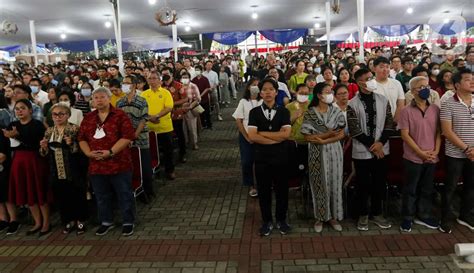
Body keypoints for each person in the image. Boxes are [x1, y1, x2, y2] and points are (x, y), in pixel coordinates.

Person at [78, 87, 136, 236]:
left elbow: (127, 136)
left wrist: (110, 152)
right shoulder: (89, 117)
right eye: (96, 97)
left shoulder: (120, 115)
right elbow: (82, 138)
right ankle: (106, 221)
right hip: (96, 165)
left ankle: (128, 221)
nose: (99, 100)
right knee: (101, 195)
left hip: (119, 163)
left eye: (102, 97)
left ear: (109, 99)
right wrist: (88, 153)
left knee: (124, 194)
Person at [347, 68, 395, 231]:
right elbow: (354, 129)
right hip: (362, 151)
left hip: (382, 150)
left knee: (379, 183)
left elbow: (389, 123)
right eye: (368, 78)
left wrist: (381, 143)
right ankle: (362, 214)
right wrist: (373, 146)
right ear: (360, 82)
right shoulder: (352, 104)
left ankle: (377, 213)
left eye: (371, 77)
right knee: (363, 184)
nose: (372, 80)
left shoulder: (383, 99)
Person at [247, 77, 292, 236]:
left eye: (270, 89)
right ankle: (266, 221)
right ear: (260, 93)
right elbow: (252, 136)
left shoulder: (284, 111)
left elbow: (286, 134)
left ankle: (281, 220)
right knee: (264, 191)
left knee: (282, 191)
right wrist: (276, 138)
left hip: (281, 157)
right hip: (262, 158)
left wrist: (263, 134)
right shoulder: (254, 112)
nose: (267, 92)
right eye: (264, 89)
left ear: (276, 92)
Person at [398, 76, 441, 232]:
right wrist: (420, 153)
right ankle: (407, 218)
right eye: (421, 87)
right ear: (412, 91)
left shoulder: (435, 109)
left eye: (427, 86)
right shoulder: (406, 111)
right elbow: (405, 135)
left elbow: (438, 132)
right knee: (411, 189)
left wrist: (435, 151)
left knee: (427, 188)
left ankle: (424, 215)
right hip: (413, 157)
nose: (425, 89)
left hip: (431, 156)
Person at [301, 82, 346, 232]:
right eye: (327, 92)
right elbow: (307, 137)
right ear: (319, 95)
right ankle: (320, 217)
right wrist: (326, 134)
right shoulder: (310, 113)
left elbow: (340, 133)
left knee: (335, 182)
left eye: (331, 91)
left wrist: (324, 139)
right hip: (316, 153)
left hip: (334, 152)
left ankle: (333, 217)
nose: (330, 94)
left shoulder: (336, 111)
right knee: (319, 183)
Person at [3, 99, 50, 236]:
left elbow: (35, 144)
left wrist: (18, 136)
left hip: (35, 160)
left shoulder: (37, 125)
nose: (19, 111)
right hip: (19, 160)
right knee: (27, 192)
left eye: (22, 108)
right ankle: (37, 222)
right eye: (17, 109)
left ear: (30, 110)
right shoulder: (13, 125)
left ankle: (46, 222)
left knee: (39, 191)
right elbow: (10, 145)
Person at [39, 103, 88, 235]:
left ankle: (81, 221)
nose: (58, 117)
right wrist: (43, 147)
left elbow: (82, 151)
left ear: (68, 115)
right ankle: (68, 220)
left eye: (62, 114)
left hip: (73, 168)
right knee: (62, 195)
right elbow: (44, 153)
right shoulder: (49, 131)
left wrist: (72, 144)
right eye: (55, 114)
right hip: (55, 168)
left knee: (77, 194)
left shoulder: (75, 129)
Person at [440, 68, 474, 233]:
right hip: (455, 154)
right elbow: (447, 131)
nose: (472, 82)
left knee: (471, 186)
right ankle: (445, 218)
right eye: (468, 79)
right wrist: (467, 148)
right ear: (457, 85)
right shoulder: (448, 103)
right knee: (451, 187)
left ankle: (464, 215)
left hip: (473, 153)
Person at [117, 76, 154, 199]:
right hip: (125, 141)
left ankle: (148, 191)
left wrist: (134, 135)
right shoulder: (119, 102)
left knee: (145, 167)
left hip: (141, 138)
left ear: (134, 85)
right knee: (131, 167)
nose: (124, 86)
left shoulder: (142, 101)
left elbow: (143, 120)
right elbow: (118, 122)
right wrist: (125, 137)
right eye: (123, 83)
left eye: (127, 83)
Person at [141, 71, 176, 180]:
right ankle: (154, 170)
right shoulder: (144, 94)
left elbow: (169, 107)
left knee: (168, 152)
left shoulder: (166, 92)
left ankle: (170, 171)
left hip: (165, 128)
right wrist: (150, 118)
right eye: (150, 78)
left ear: (160, 80)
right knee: (151, 152)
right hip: (149, 128)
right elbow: (142, 109)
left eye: (155, 78)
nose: (152, 80)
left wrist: (157, 116)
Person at [232, 78, 262, 197]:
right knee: (247, 161)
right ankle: (251, 184)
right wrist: (246, 136)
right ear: (248, 87)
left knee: (261, 161)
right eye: (253, 85)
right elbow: (238, 121)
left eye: (258, 85)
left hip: (261, 136)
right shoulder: (243, 102)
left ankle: (263, 183)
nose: (255, 87)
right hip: (246, 136)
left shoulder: (263, 101)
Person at [162, 67, 187, 162]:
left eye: (167, 74)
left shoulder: (178, 85)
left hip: (176, 114)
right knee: (167, 137)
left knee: (179, 134)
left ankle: (182, 153)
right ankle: (168, 155)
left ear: (171, 74)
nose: (165, 77)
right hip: (164, 115)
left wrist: (172, 104)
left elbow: (185, 99)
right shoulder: (160, 86)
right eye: (163, 74)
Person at [369, 57, 405, 123]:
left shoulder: (396, 83)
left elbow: (401, 104)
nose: (385, 69)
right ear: (374, 69)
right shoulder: (369, 85)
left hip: (395, 122)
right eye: (382, 67)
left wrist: (395, 121)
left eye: (387, 67)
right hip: (376, 123)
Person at [179, 72, 201, 151]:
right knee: (183, 128)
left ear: (189, 78)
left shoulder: (193, 86)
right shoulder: (179, 86)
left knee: (192, 128)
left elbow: (198, 99)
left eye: (186, 77)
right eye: (183, 77)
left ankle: (194, 143)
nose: (184, 79)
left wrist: (190, 106)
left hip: (190, 109)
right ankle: (185, 142)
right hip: (180, 110)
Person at [192, 65, 212, 129]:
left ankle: (209, 125)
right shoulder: (194, 80)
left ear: (201, 71)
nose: (197, 71)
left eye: (198, 70)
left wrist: (200, 95)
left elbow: (207, 88)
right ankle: (203, 125)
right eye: (196, 70)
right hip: (197, 100)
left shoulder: (205, 79)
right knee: (200, 113)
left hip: (204, 98)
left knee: (207, 112)